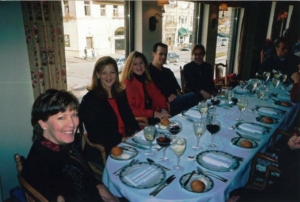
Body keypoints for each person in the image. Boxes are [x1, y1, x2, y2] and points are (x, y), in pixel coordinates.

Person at [22, 89, 119, 202]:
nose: (72, 124)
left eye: (74, 115)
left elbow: (85, 174)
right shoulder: (41, 165)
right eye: (61, 117)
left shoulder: (64, 143)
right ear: (43, 123)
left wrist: (100, 187)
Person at [80, 56, 140, 161]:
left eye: (112, 72)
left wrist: (136, 132)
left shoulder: (120, 93)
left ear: (117, 74)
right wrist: (120, 139)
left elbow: (129, 117)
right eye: (104, 73)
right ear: (98, 74)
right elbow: (95, 132)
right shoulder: (90, 99)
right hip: (107, 147)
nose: (108, 76)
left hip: (126, 141)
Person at [148, 42, 200, 116]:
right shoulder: (148, 72)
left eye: (165, 54)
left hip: (174, 101)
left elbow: (177, 89)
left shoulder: (168, 71)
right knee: (193, 96)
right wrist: (166, 99)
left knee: (194, 98)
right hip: (162, 106)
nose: (163, 57)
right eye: (161, 54)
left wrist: (174, 94)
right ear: (154, 54)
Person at [120, 51, 171, 125]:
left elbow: (159, 96)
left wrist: (163, 109)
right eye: (135, 64)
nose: (139, 67)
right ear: (130, 66)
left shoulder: (147, 80)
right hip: (142, 121)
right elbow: (131, 109)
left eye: (141, 63)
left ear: (145, 64)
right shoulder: (127, 84)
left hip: (155, 115)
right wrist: (154, 114)